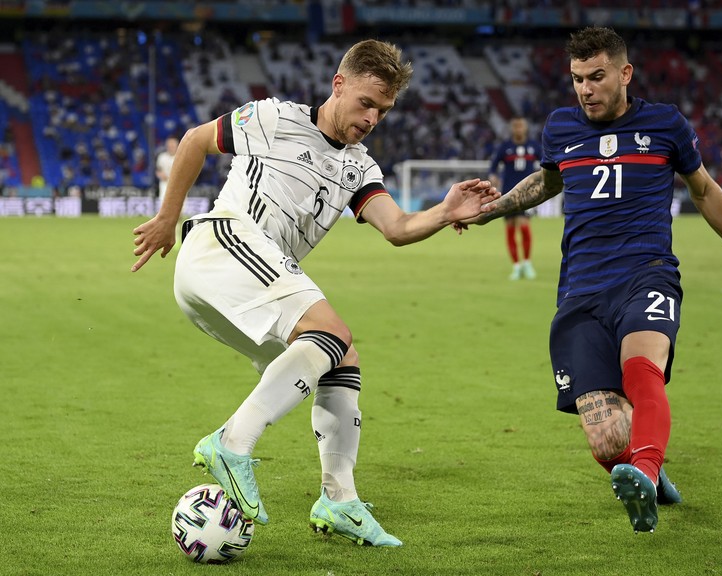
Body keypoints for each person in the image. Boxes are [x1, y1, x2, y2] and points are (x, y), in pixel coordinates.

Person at [131, 39, 499, 546]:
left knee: (341, 357)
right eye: (367, 103)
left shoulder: (358, 167)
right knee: (331, 331)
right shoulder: (274, 118)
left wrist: (444, 211)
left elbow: (394, 227)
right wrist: (167, 219)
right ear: (338, 84)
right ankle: (231, 442)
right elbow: (195, 140)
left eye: (384, 110)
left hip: (242, 284)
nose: (372, 118)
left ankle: (339, 499)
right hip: (223, 244)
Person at [459, 27, 722, 533]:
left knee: (641, 370)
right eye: (576, 79)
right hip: (580, 291)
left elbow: (704, 191)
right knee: (607, 441)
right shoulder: (561, 127)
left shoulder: (665, 125)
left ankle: (648, 470)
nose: (585, 89)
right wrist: (493, 209)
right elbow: (547, 182)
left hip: (647, 274)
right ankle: (646, 472)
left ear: (624, 73)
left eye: (596, 77)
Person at [488, 116, 541, 280]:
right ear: (512, 128)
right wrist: (493, 178)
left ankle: (527, 262)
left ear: (525, 128)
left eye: (521, 126)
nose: (518, 129)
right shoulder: (505, 147)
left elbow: (547, 164)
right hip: (508, 193)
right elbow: (493, 167)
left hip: (528, 194)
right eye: (515, 126)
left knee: (523, 226)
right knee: (510, 228)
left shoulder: (534, 146)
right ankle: (517, 266)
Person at [155, 136, 178, 203]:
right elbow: (158, 170)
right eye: (169, 145)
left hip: (178, 183)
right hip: (165, 182)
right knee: (163, 201)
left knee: (179, 204)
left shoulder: (181, 157)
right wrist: (160, 175)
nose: (171, 147)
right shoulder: (162, 157)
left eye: (173, 145)